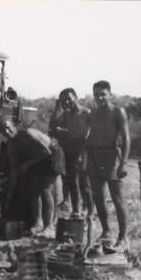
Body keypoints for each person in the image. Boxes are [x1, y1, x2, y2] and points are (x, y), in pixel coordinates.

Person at [0, 115, 65, 236]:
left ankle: (49, 226)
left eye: (8, 128)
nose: (7, 132)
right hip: (37, 160)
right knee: (33, 190)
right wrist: (10, 193)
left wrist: (27, 164)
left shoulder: (28, 133)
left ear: (13, 125)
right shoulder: (11, 146)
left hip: (52, 155)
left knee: (45, 189)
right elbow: (14, 170)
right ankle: (38, 223)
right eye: (3, 130)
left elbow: (46, 151)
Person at [86, 80, 131, 253]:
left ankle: (123, 237)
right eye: (96, 94)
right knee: (98, 197)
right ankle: (106, 231)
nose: (100, 98)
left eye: (103, 94)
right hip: (95, 156)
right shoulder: (93, 113)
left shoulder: (118, 111)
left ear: (110, 94)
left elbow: (126, 138)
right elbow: (90, 135)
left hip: (112, 156)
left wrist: (124, 163)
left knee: (118, 198)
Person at [49, 88, 94, 218]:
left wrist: (83, 152)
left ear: (76, 97)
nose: (67, 102)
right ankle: (76, 210)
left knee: (84, 183)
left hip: (83, 149)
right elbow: (53, 127)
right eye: (64, 100)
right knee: (71, 182)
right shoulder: (66, 114)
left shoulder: (86, 113)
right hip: (69, 149)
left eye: (69, 99)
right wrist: (57, 107)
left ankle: (89, 211)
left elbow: (90, 134)